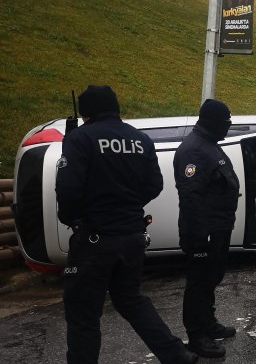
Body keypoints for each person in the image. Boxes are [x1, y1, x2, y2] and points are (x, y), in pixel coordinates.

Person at [56, 85, 197, 364]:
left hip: (94, 239)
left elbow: (68, 189)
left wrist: (72, 218)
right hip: (132, 235)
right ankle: (176, 355)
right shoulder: (140, 139)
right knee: (130, 300)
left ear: (86, 113)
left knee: (83, 313)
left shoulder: (80, 138)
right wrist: (129, 205)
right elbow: (155, 184)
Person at [173, 99, 240, 358]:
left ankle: (208, 323)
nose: (228, 126)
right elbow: (191, 197)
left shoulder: (209, 145)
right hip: (203, 230)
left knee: (211, 277)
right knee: (199, 282)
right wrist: (200, 236)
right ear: (212, 122)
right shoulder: (195, 151)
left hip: (218, 226)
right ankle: (197, 335)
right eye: (226, 122)